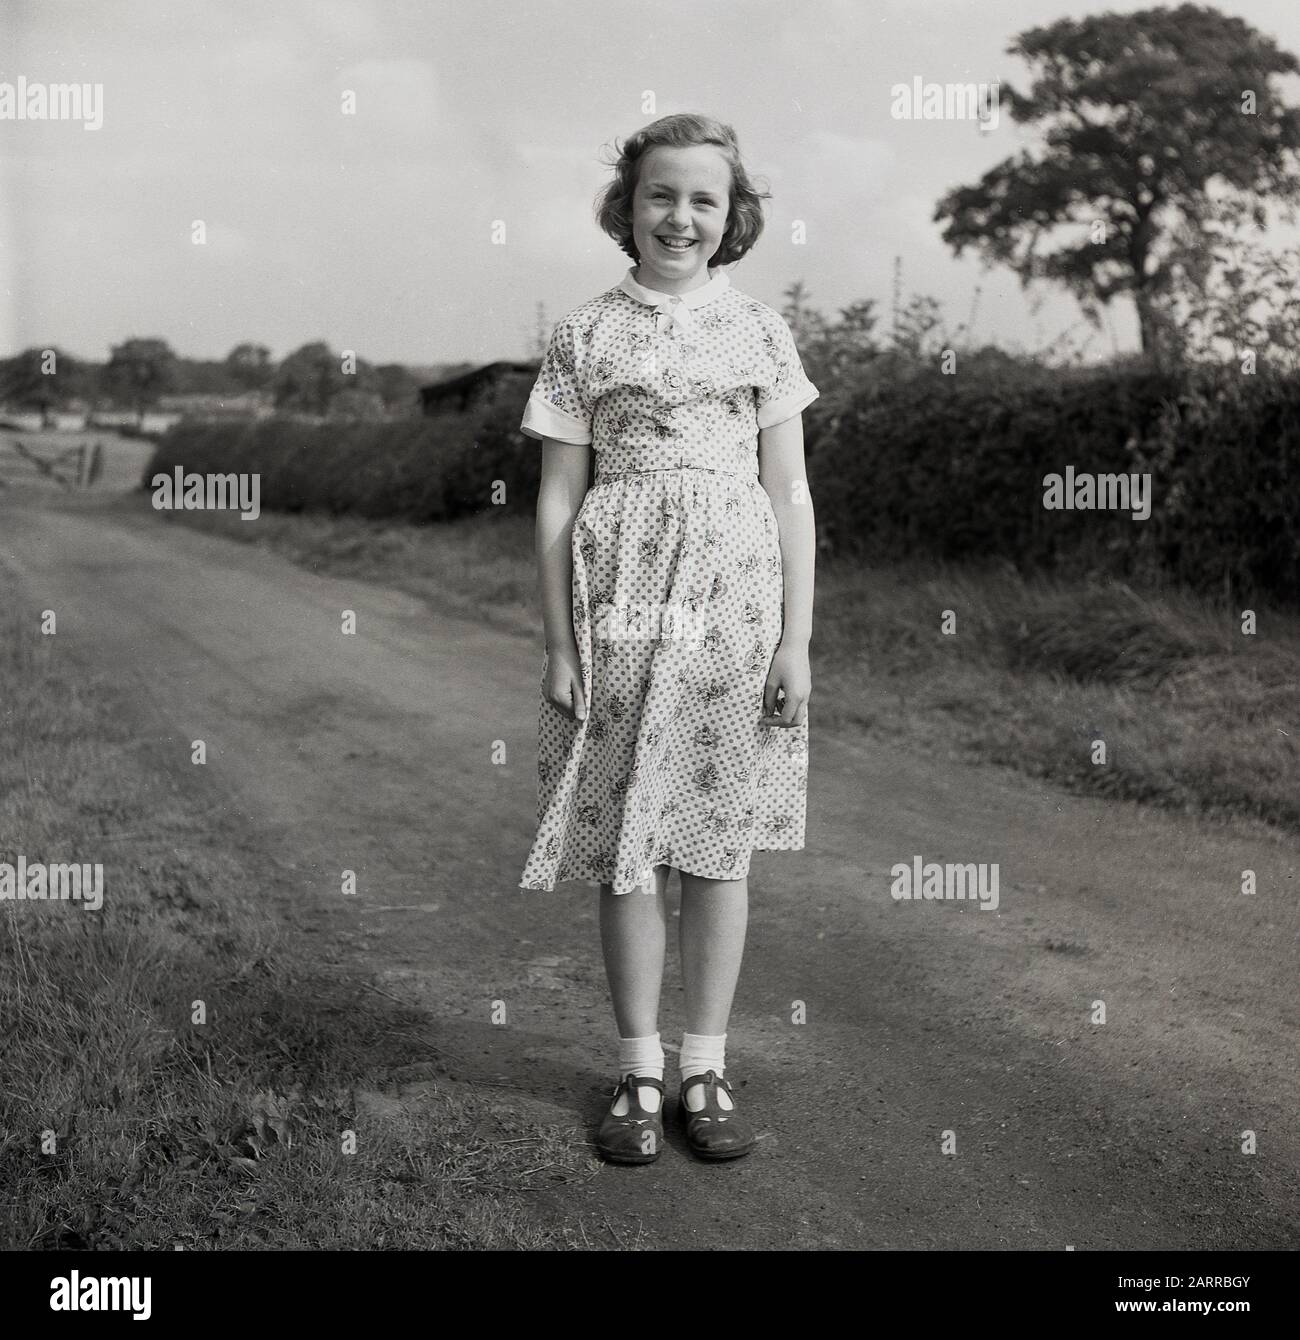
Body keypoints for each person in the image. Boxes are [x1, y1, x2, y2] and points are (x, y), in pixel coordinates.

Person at [519, 112, 817, 1164]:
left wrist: (796, 641)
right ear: (625, 207)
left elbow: (790, 494)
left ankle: (706, 1066)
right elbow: (557, 501)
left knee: (716, 841)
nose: (678, 216)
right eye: (660, 194)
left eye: (703, 199)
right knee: (628, 844)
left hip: (736, 612)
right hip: (621, 606)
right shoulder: (584, 334)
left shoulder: (761, 331)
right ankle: (639, 1069)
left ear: (732, 217)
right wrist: (561, 643)